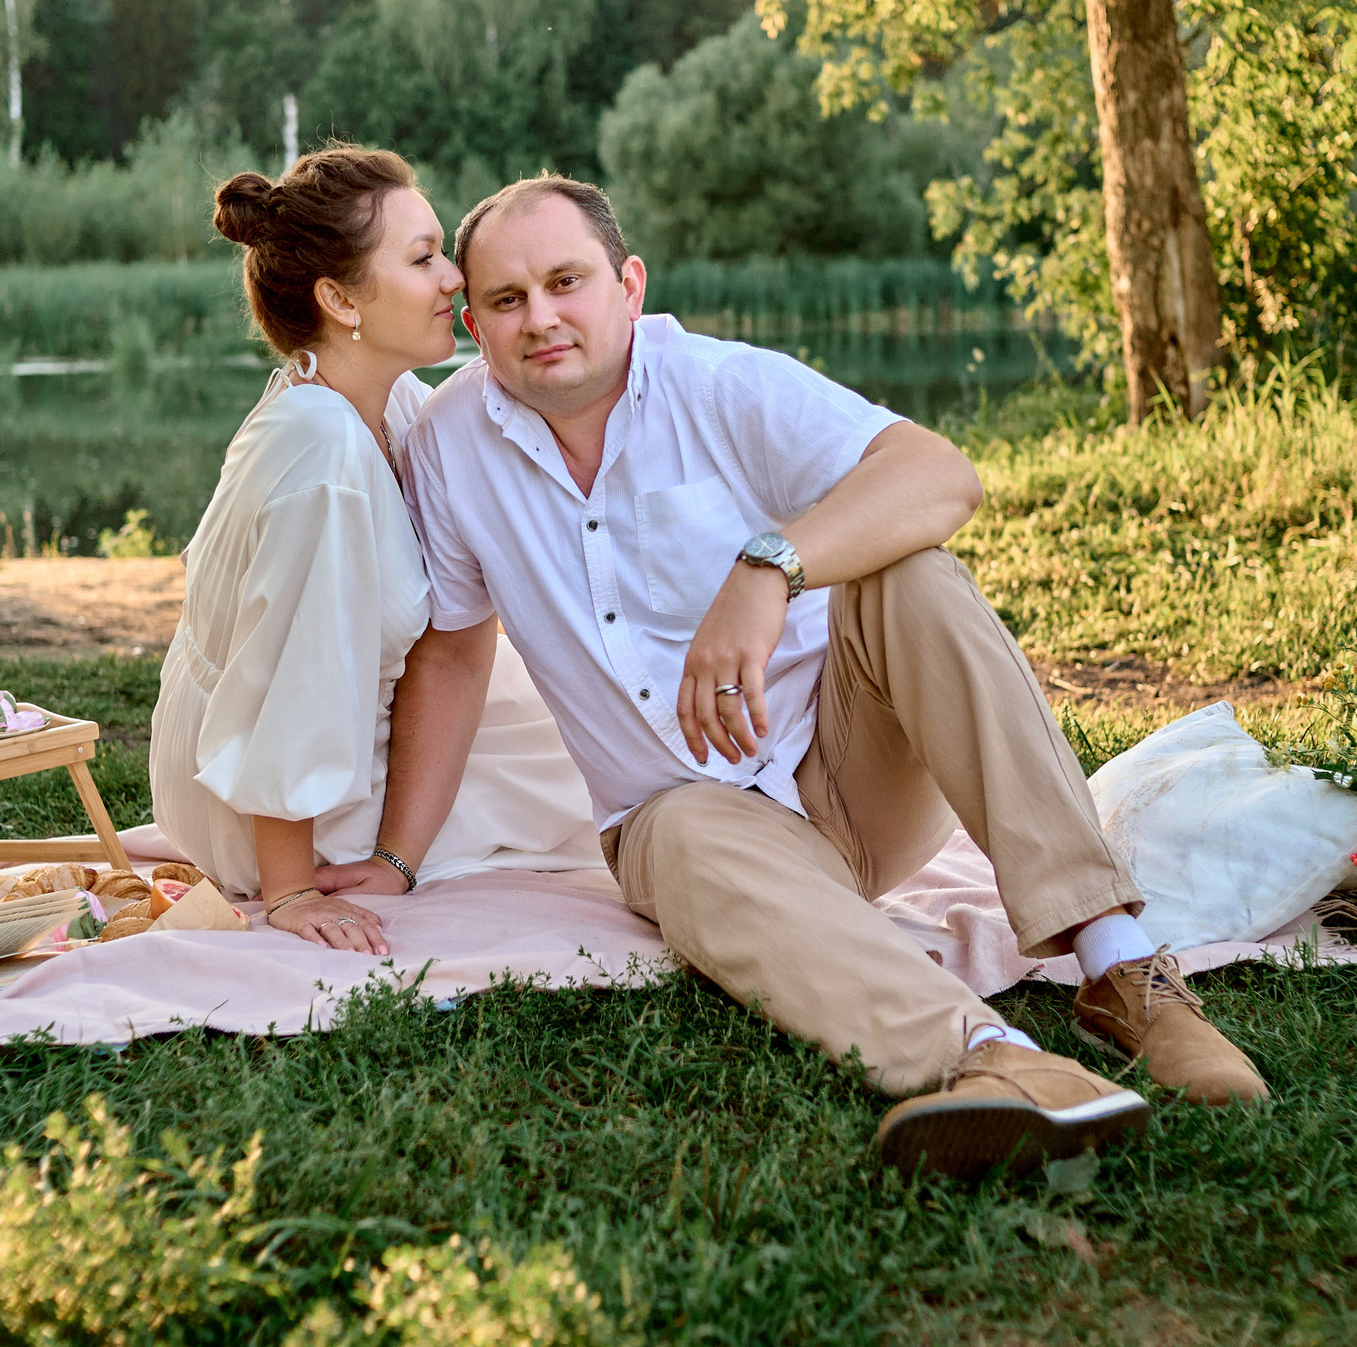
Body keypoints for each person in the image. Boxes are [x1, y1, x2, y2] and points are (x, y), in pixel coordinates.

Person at [381, 175, 1269, 1181]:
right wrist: (398, 859)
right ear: (472, 320)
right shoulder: (451, 443)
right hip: (698, 828)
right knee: (667, 828)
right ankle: (998, 1063)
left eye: (564, 282)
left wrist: (769, 567)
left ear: (628, 285)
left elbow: (939, 475)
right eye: (506, 300)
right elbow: (454, 652)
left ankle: (1118, 967)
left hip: (855, 773)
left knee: (910, 571)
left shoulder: (720, 385)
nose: (539, 317)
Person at [147, 147, 603, 954]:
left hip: (345, 723)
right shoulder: (322, 456)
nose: (455, 278)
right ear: (339, 299)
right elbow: (290, 676)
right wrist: (288, 890)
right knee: (580, 778)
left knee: (586, 703)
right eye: (424, 258)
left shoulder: (382, 397)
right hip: (269, 807)